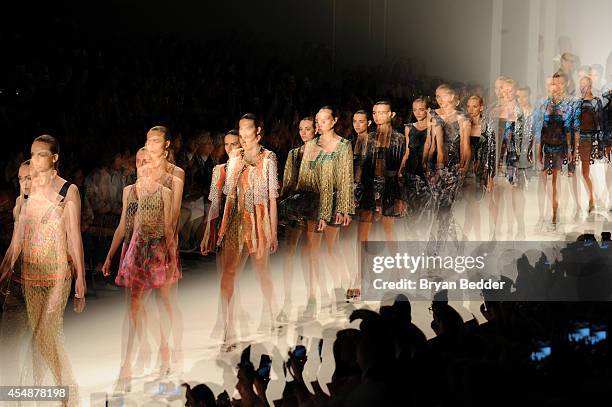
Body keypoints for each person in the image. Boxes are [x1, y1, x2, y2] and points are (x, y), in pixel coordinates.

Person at [0, 135, 86, 406]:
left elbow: (74, 236)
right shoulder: (27, 195)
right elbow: (17, 243)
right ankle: (41, 393)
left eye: (40, 154)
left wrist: (81, 278)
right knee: (40, 338)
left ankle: (68, 394)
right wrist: (4, 271)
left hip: (58, 275)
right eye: (32, 154)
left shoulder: (67, 191)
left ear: (54, 157)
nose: (35, 159)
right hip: (31, 276)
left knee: (47, 334)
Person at [201, 113, 279, 351]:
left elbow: (272, 197)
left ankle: (271, 313)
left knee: (261, 271)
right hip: (234, 221)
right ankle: (228, 329)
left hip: (258, 221)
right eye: (241, 131)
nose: (244, 136)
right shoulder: (233, 160)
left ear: (258, 132)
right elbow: (222, 197)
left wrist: (273, 231)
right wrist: (208, 231)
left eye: (248, 131)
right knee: (228, 274)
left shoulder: (269, 158)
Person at [277, 117, 315, 322]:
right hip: (295, 206)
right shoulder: (294, 154)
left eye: (307, 129)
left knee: (309, 254)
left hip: (314, 206)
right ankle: (287, 300)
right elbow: (288, 182)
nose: (303, 132)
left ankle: (311, 298)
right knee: (289, 253)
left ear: (315, 130)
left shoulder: (322, 154)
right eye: (300, 129)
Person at [535, 72, 580, 228]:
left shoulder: (572, 103)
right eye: (554, 83)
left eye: (560, 83)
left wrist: (574, 149)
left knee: (557, 180)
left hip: (563, 147)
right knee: (546, 181)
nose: (557, 86)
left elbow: (574, 128)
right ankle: (546, 214)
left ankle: (556, 214)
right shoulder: (544, 104)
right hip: (547, 146)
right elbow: (539, 128)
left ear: (566, 84)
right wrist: (538, 150)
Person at [577, 76, 604, 213]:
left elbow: (600, 123)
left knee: (587, 172)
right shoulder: (578, 102)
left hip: (590, 140)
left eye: (585, 85)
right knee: (582, 173)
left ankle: (593, 199)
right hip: (579, 140)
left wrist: (600, 143)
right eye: (581, 85)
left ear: (590, 86)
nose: (582, 88)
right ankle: (591, 199)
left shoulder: (595, 102)